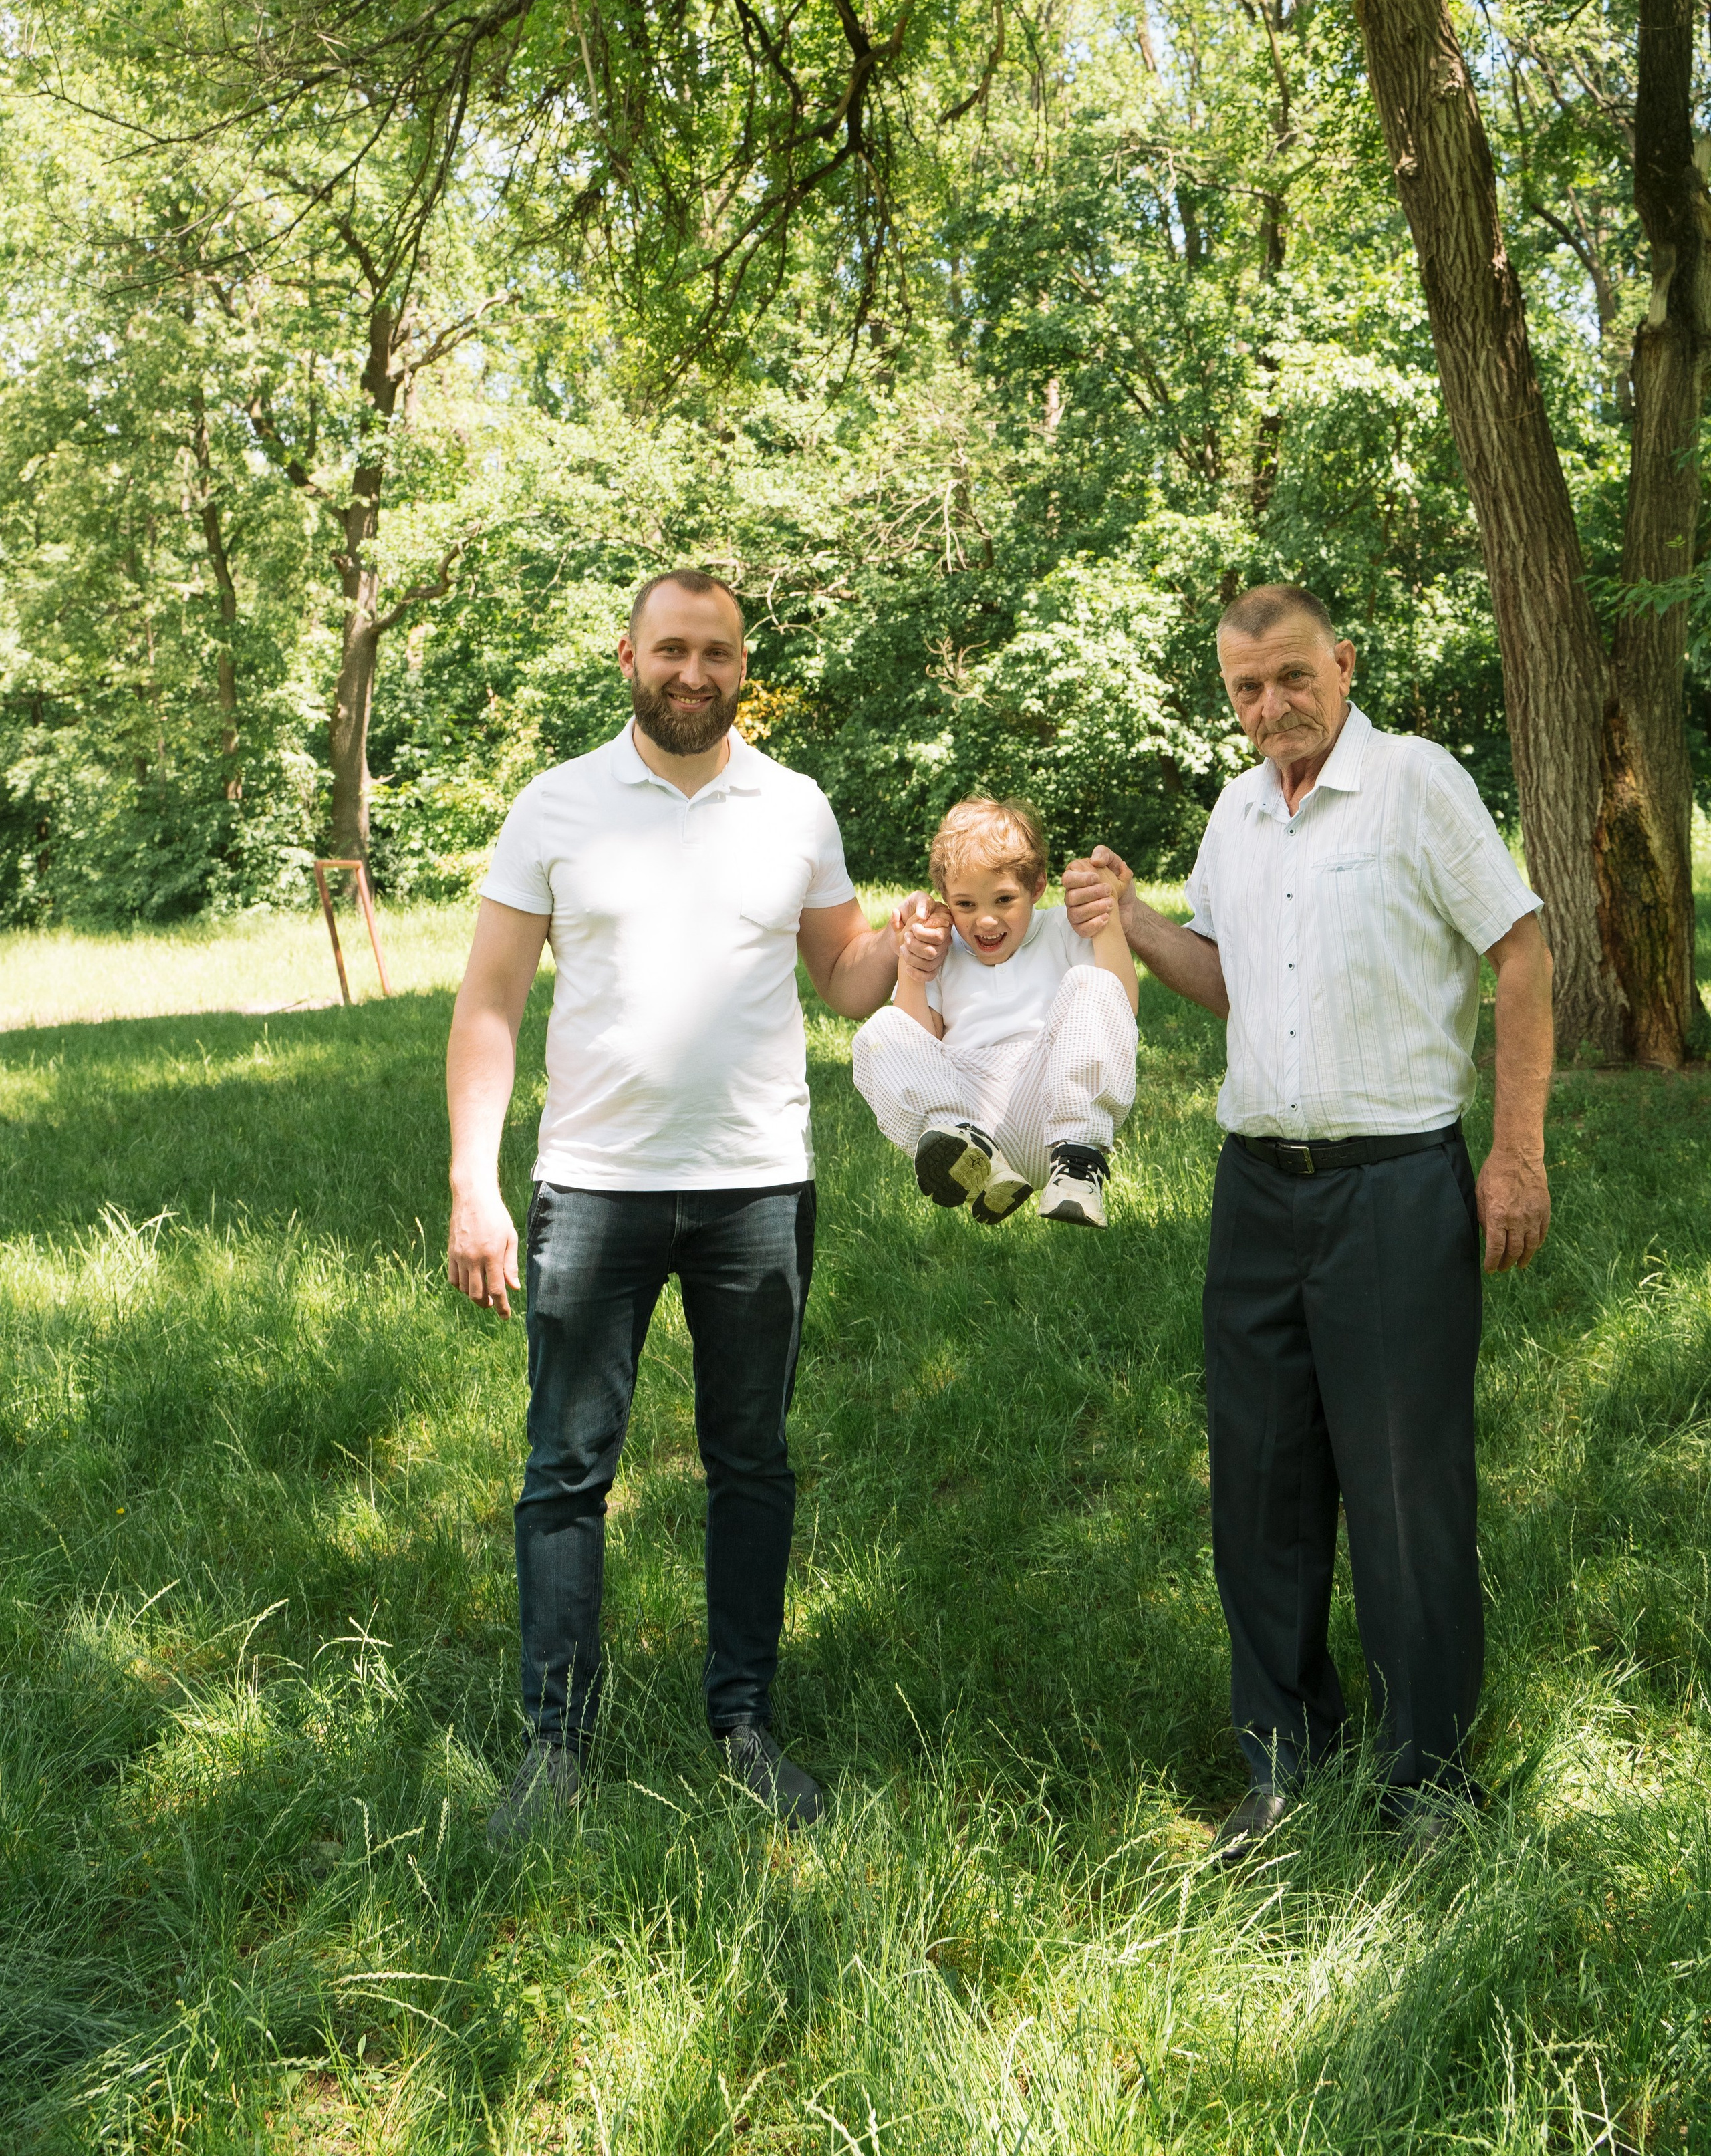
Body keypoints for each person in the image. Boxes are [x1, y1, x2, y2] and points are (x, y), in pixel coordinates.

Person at [1064, 584, 1553, 1862]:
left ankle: (1428, 1782)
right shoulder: (1238, 809)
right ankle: (1283, 1764)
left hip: (1395, 1181)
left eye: (1292, 677)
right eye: (1246, 689)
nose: (1272, 705)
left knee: (1406, 1488)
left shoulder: (1416, 782)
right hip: (1258, 1189)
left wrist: (1514, 1152)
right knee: (1262, 1485)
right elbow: (1230, 979)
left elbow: (1521, 951)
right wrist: (1134, 922)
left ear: (1342, 662)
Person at [445, 568, 932, 1845]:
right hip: (593, 1187)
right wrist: (471, 1181)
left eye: (716, 652)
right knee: (564, 1470)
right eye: (672, 648)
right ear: (628, 656)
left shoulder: (795, 805)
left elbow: (842, 977)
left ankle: (746, 1724)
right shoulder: (555, 804)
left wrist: (913, 944)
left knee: (751, 1462)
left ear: (742, 664)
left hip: (756, 1186)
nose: (693, 673)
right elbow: (490, 1000)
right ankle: (556, 1745)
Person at [851, 797, 1139, 1228]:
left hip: (1052, 1104)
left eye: (1003, 899)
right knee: (880, 1031)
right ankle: (975, 1161)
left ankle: (1079, 1165)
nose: (985, 920)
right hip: (969, 1111)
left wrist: (1106, 917)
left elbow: (1119, 1007)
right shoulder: (943, 947)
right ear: (946, 899)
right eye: (966, 904)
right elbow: (918, 1043)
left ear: (1037, 887)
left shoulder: (1063, 928)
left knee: (1093, 983)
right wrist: (913, 971)